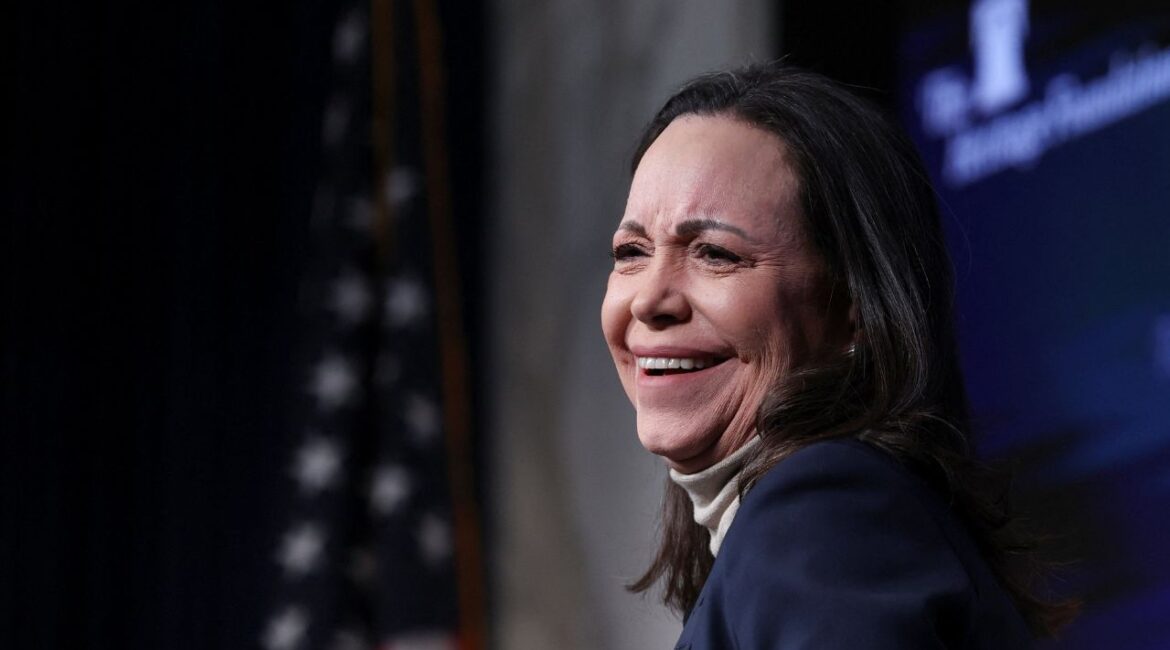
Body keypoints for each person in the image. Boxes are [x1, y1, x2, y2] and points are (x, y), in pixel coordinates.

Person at [600, 62, 1076, 648]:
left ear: (854, 303)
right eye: (631, 252)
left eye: (716, 254)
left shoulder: (823, 509)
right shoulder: (823, 520)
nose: (649, 300)